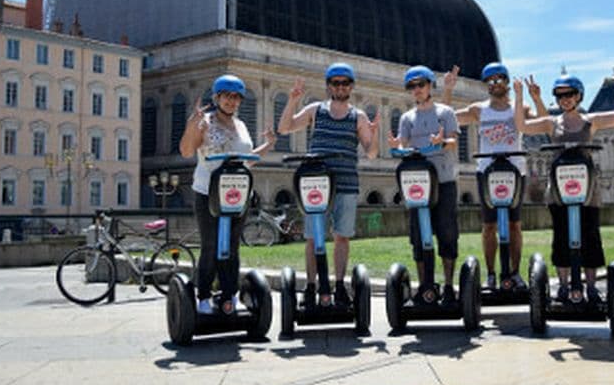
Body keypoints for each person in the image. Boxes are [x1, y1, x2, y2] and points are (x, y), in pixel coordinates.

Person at [513, 62, 614, 303]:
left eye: (569, 94)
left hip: (588, 189)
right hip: (558, 190)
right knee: (561, 236)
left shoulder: (591, 121)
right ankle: (565, 287)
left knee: (590, 235)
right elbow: (522, 126)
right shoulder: (552, 123)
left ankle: (590, 287)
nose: (565, 99)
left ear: (578, 95)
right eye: (560, 95)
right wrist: (519, 96)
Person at [277, 62, 380, 308]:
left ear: (351, 87)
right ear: (329, 86)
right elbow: (284, 128)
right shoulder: (316, 110)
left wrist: (373, 134)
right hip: (316, 183)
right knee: (313, 238)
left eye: (345, 83)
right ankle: (312, 286)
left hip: (346, 183)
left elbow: (372, 154)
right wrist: (292, 100)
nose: (340, 87)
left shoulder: (359, 116)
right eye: (336, 83)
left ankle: (340, 285)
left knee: (342, 237)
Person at [442, 62, 548, 291]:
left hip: (515, 170)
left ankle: (515, 274)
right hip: (487, 171)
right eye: (489, 81)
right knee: (489, 225)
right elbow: (446, 118)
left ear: (507, 82)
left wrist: (536, 98)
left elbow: (546, 124)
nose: (494, 83)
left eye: (499, 79)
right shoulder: (478, 109)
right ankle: (491, 275)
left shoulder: (519, 108)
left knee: (514, 225)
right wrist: (448, 90)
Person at [179, 74, 276, 315]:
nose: (231, 102)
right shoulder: (205, 122)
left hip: (237, 193)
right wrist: (193, 125)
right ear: (217, 98)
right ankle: (202, 297)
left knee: (232, 247)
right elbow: (186, 151)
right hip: (208, 192)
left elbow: (246, 160)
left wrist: (268, 146)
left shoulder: (241, 125)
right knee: (211, 246)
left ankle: (229, 295)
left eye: (236, 98)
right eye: (227, 97)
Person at [388, 65, 461, 306]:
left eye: (421, 85)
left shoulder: (446, 112)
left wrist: (442, 142)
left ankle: (449, 286)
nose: (417, 90)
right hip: (417, 184)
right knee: (419, 238)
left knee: (447, 234)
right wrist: (397, 145)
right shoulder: (407, 118)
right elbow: (404, 146)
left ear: (430, 86)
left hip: (444, 180)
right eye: (412, 86)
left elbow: (453, 142)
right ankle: (425, 287)